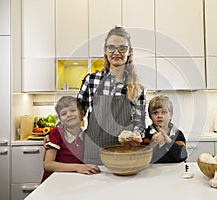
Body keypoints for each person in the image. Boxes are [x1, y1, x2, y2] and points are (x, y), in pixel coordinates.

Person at [77, 26, 146, 164]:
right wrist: (58, 134)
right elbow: (75, 114)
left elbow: (140, 123)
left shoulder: (137, 88)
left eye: (122, 48)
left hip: (123, 152)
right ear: (105, 50)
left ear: (129, 52)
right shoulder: (92, 81)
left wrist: (137, 135)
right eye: (111, 47)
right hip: (93, 152)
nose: (116, 52)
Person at [41, 96, 100, 182]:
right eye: (64, 113)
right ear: (60, 120)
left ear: (82, 114)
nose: (69, 115)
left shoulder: (86, 136)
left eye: (72, 110)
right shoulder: (56, 134)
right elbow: (48, 165)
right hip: (54, 181)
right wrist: (78, 167)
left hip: (72, 180)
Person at [142, 95, 188, 163]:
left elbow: (182, 157)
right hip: (152, 171)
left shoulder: (178, 134)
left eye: (164, 112)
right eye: (155, 113)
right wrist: (152, 144)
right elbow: (142, 158)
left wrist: (168, 141)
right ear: (150, 116)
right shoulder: (145, 134)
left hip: (173, 171)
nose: (160, 116)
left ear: (171, 115)